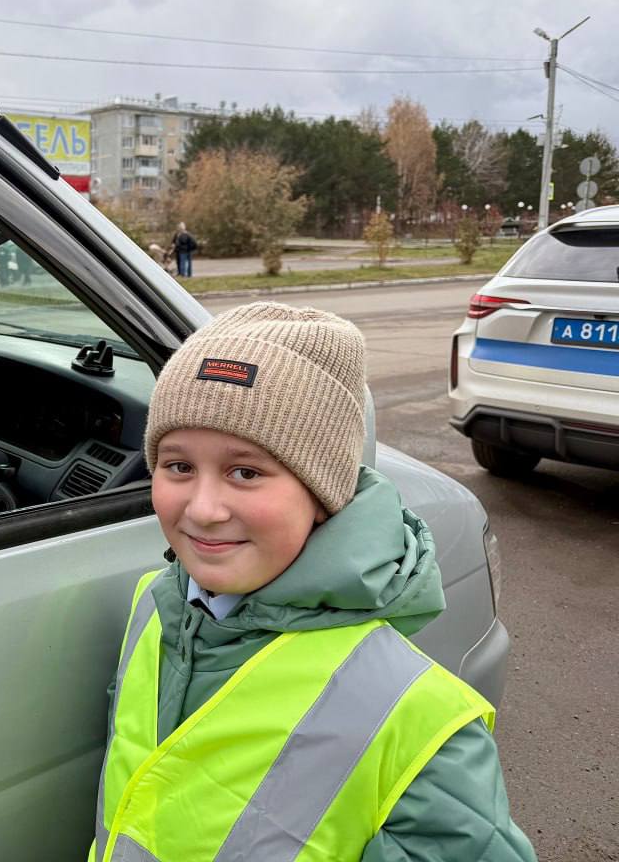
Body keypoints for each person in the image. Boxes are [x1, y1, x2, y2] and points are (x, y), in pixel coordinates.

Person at [92, 301, 535, 862]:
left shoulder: (414, 717)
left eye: (246, 472)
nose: (202, 509)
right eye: (178, 466)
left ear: (324, 495)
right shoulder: (156, 609)